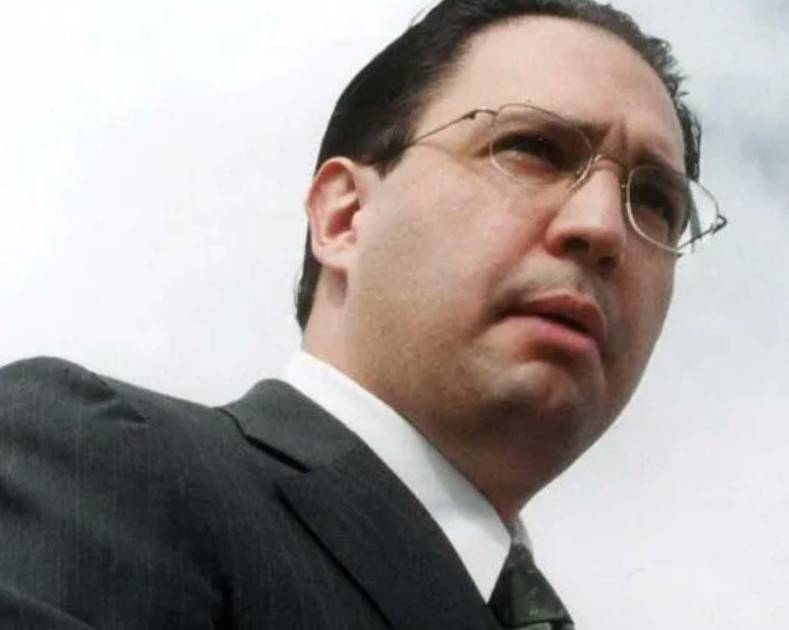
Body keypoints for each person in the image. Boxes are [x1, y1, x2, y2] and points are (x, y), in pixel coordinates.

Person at [0, 0, 725, 628]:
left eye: (655, 201)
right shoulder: (104, 465)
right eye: (532, 149)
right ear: (344, 215)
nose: (602, 227)